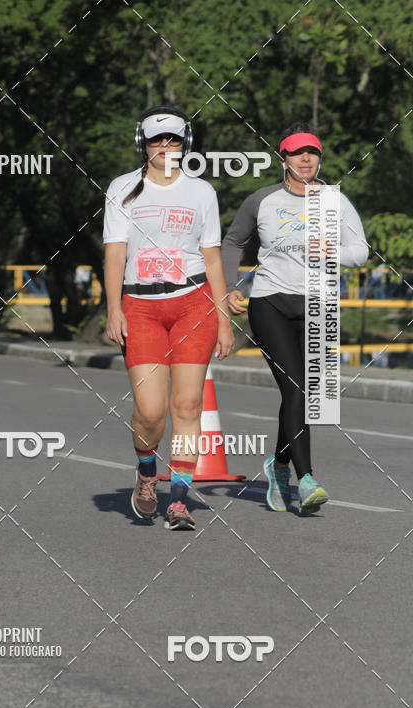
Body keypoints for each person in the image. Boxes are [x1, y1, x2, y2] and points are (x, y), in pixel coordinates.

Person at [221, 122, 368, 514]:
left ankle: (278, 465)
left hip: (318, 305)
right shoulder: (262, 200)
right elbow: (233, 240)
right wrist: (231, 286)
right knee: (297, 389)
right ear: (283, 157)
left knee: (307, 396)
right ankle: (306, 479)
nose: (306, 158)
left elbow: (361, 252)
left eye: (313, 152)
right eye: (298, 152)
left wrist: (332, 248)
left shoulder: (335, 201)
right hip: (269, 301)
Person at [103, 105, 234, 531]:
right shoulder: (123, 188)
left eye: (173, 139)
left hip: (193, 304)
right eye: (157, 139)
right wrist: (113, 309)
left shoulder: (202, 193)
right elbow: (115, 253)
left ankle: (178, 499)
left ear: (185, 143)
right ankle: (145, 472)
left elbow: (212, 257)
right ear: (143, 143)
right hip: (140, 307)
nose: (165, 147)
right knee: (150, 410)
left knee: (188, 404)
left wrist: (224, 318)